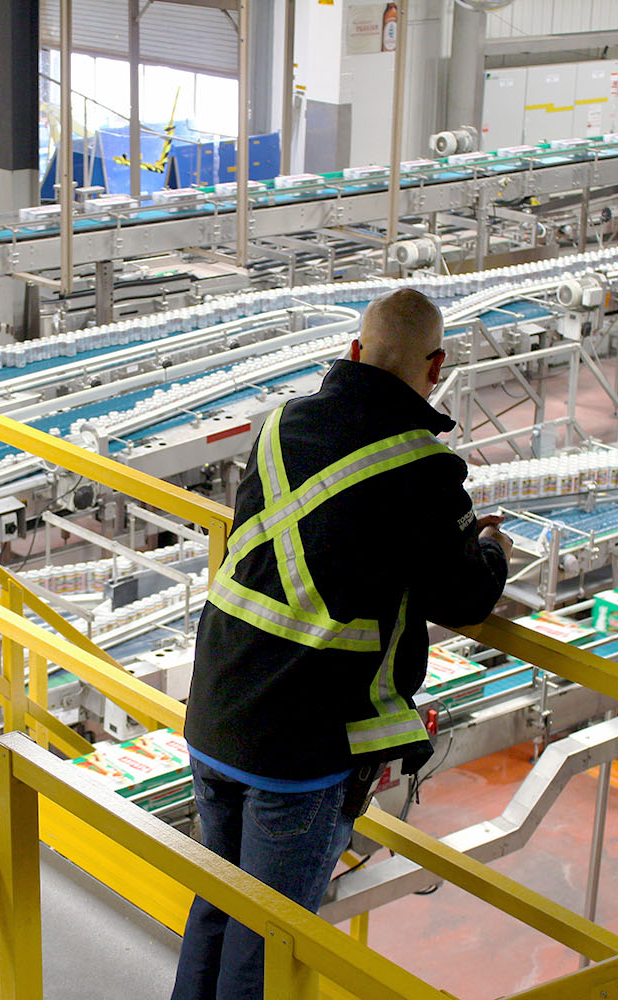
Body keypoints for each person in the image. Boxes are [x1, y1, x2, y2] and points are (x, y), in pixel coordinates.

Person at [171, 288, 513, 1000]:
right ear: (436, 368)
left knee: (217, 903)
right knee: (266, 942)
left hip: (216, 702)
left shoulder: (279, 426)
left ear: (354, 352)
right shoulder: (424, 470)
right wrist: (490, 549)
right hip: (299, 741)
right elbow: (463, 599)